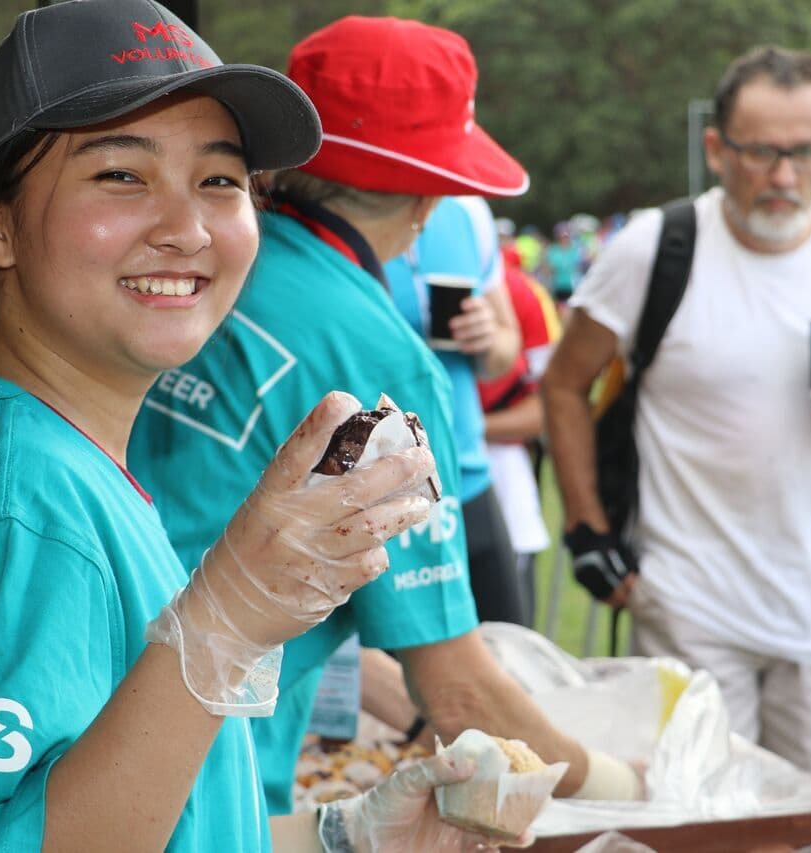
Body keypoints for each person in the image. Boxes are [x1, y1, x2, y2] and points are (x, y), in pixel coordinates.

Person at [0, 2, 520, 851]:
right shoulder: (17, 506)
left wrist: (345, 836)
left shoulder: (58, 459)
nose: (186, 228)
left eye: (220, 180)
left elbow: (125, 811)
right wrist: (223, 619)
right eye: (122, 174)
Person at [129, 14, 643, 818]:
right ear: (430, 198)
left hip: (100, 719)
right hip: (201, 777)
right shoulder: (384, 358)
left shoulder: (201, 263)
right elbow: (460, 690)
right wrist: (628, 787)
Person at [541, 44, 811, 783]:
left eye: (806, 153)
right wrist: (588, 530)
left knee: (809, 818)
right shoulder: (659, 245)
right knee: (696, 820)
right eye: (762, 153)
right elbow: (563, 384)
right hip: (687, 610)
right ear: (717, 149)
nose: (784, 177)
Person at [383, 195, 529, 626]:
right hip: (382, 490)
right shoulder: (347, 206)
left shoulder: (467, 212)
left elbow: (506, 350)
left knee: (506, 649)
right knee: (397, 680)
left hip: (468, 480)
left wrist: (488, 338)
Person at [479, 263, 562, 618]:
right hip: (395, 488)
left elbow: (552, 406)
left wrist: (468, 428)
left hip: (502, 486)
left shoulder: (523, 291)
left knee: (507, 643)